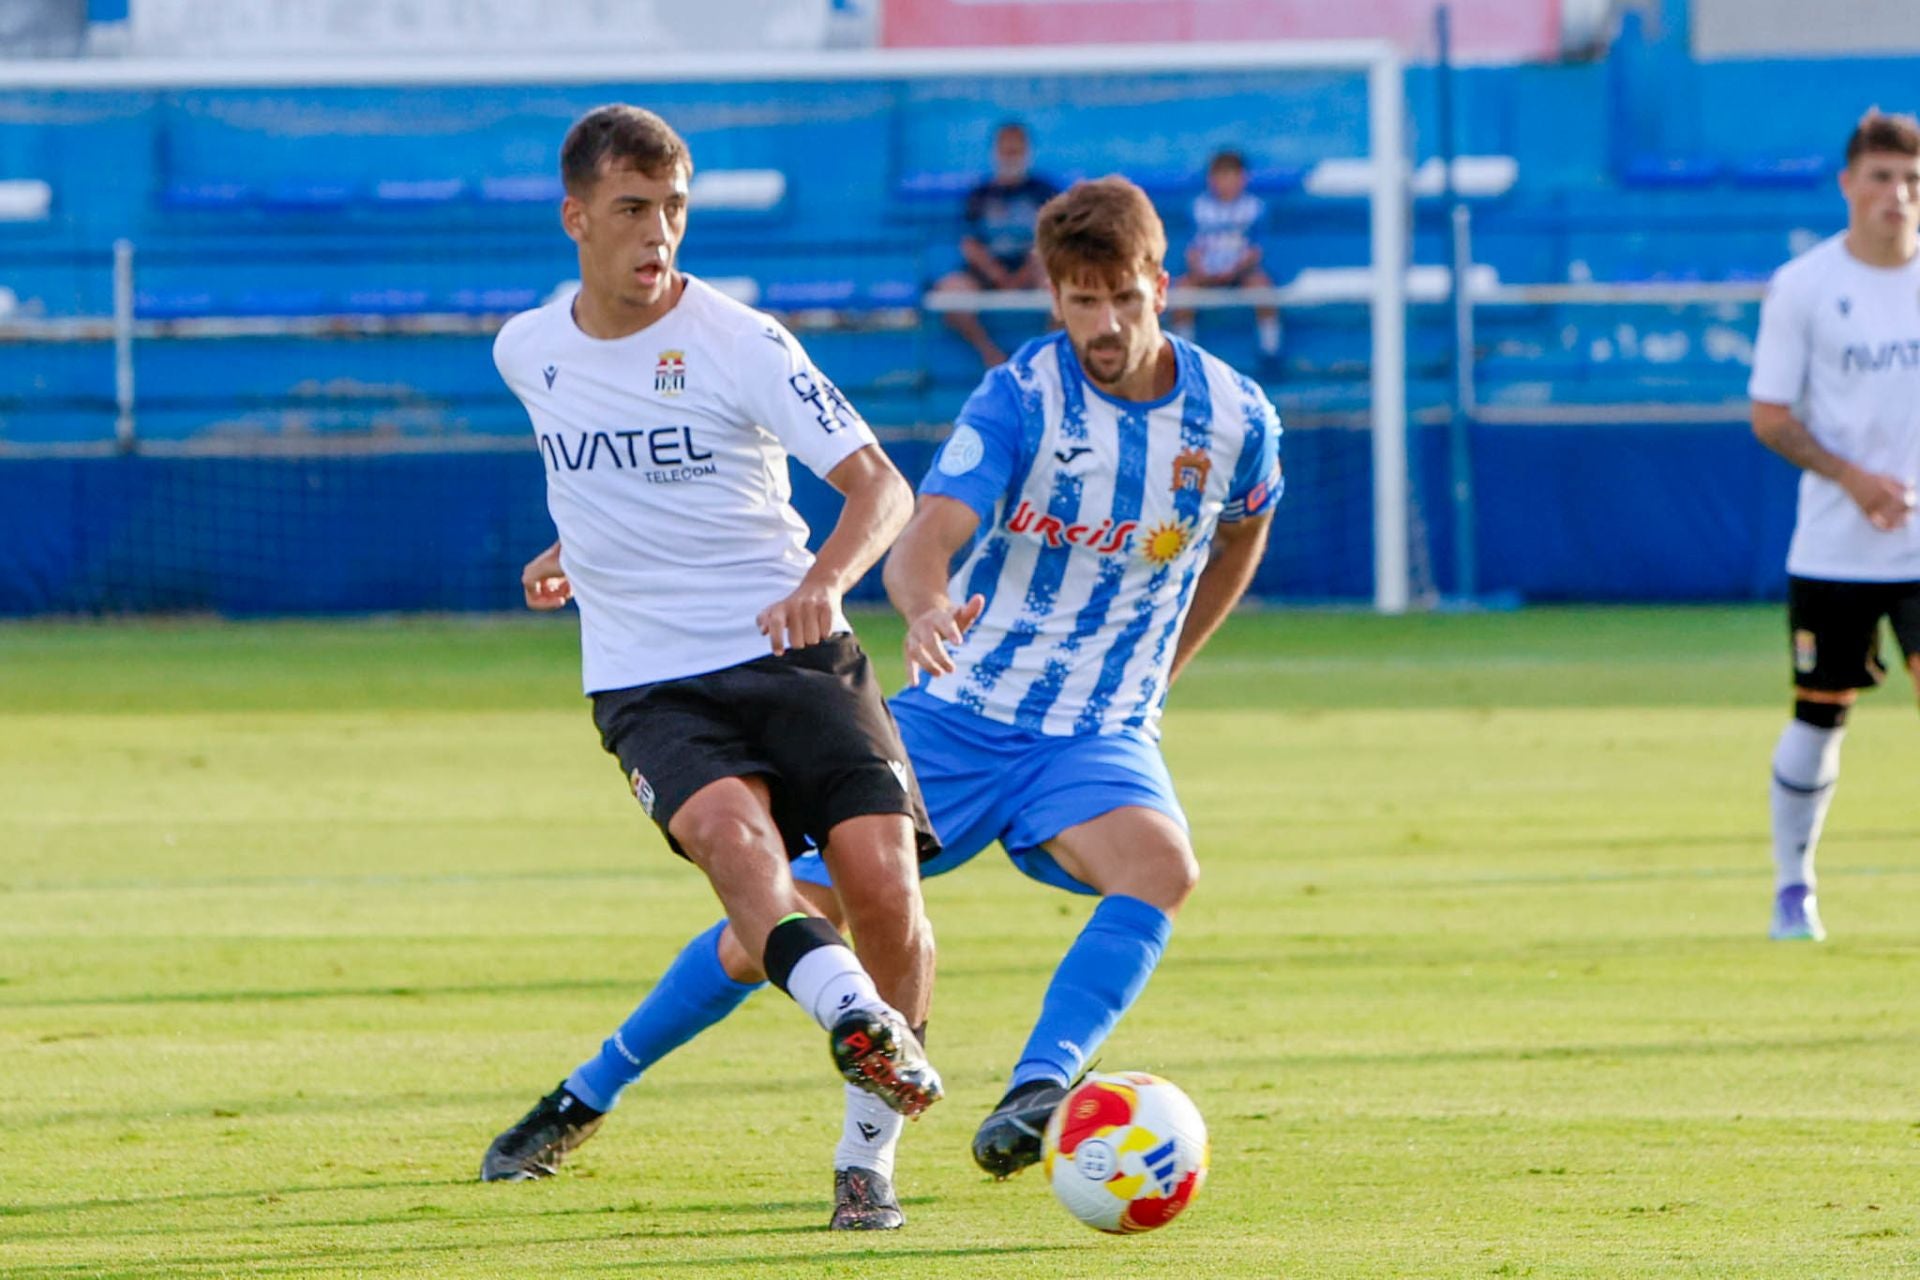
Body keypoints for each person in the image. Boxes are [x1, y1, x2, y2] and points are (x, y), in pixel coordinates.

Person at [481, 173, 1281, 1231]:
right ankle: (589, 1088)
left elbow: (1245, 524)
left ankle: (1038, 1087)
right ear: (1052, 297)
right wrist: (923, 598)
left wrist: (1168, 659)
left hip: (1097, 730)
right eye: (1081, 301)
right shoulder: (1022, 396)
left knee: (1162, 866)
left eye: (1123, 297)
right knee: (778, 918)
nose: (1104, 322)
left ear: (1161, 287)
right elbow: (931, 525)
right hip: (960, 709)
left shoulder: (1235, 415)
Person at [481, 103, 943, 1203]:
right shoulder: (526, 350)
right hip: (649, 676)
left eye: (674, 209)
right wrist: (570, 550)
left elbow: (882, 487)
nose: (659, 234)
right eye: (634, 210)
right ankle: (858, 1019)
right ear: (577, 218)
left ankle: (865, 1158)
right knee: (740, 849)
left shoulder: (742, 340)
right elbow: (612, 482)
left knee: (882, 884)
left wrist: (824, 580)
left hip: (793, 648)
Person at [1749, 108, 1920, 942]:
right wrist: (1855, 480)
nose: (1899, 195)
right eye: (1883, 177)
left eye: (1913, 181)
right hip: (1837, 546)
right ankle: (1794, 889)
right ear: (1849, 183)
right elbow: (1770, 415)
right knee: (1821, 712)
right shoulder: (1806, 286)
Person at [930, 121, 1060, 368]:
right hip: (987, 273)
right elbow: (969, 244)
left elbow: (1053, 240)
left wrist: (1023, 274)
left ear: (1027, 151)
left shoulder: (1044, 192)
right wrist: (997, 274)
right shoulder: (980, 194)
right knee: (948, 292)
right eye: (1006, 150)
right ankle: (991, 355)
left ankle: (1042, 358)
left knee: (1065, 292)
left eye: (1016, 150)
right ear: (996, 151)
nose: (1011, 156)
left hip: (1034, 271)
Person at [1170, 149, 1281, 366]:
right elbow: (1191, 248)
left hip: (1241, 272)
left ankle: (1270, 350)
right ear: (1211, 179)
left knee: (1263, 287)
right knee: (1182, 290)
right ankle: (1183, 356)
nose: (1226, 183)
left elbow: (1256, 249)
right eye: (1221, 176)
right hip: (1204, 272)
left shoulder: (1254, 207)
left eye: (1233, 176)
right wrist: (1200, 270)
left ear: (1243, 178)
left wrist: (1235, 270)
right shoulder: (1199, 208)